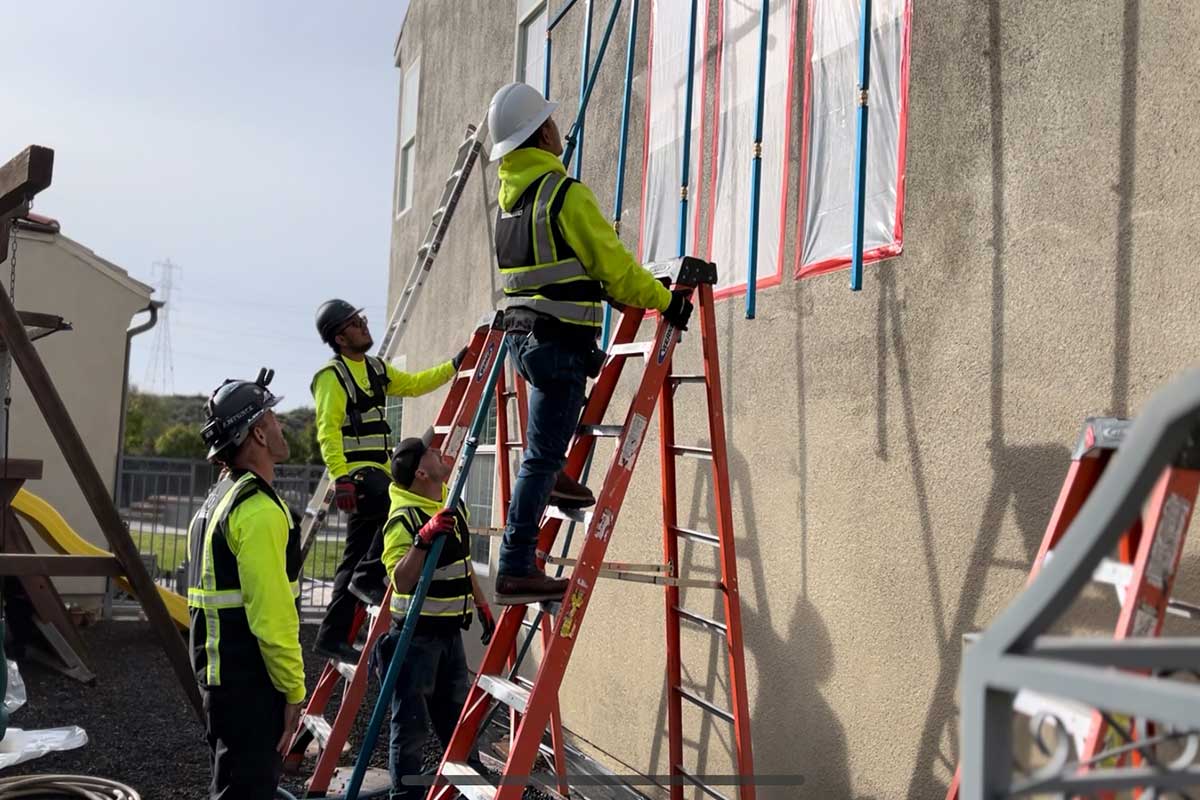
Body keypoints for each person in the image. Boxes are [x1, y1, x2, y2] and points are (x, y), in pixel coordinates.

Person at [486, 82, 694, 604]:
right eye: (552, 124)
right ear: (543, 134)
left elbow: (554, 271)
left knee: (544, 449)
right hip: (558, 347)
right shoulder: (565, 195)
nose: (560, 131)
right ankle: (515, 565)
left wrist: (604, 288)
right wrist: (665, 303)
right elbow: (615, 268)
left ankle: (555, 475)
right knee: (539, 457)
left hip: (525, 343)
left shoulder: (508, 208)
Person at [310, 299, 463, 662]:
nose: (363, 323)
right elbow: (327, 431)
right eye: (353, 322)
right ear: (339, 337)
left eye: (360, 318)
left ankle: (331, 634)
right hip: (360, 476)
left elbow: (414, 384)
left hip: (377, 470)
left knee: (354, 557)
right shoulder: (331, 378)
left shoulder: (376, 369)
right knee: (396, 508)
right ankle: (369, 577)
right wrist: (341, 478)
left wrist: (454, 367)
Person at [187, 368, 304, 800]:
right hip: (252, 686)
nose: (280, 424)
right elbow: (270, 616)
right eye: (273, 417)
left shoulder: (218, 499)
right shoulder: (258, 511)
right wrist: (293, 689)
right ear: (257, 433)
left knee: (232, 785)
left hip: (221, 680)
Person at [373, 427, 494, 798]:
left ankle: (470, 783)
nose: (438, 452)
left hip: (448, 635)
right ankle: (405, 795)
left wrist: (482, 604)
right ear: (420, 474)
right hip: (414, 638)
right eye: (429, 453)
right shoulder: (404, 518)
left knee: (457, 721)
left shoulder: (447, 505)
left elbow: (464, 564)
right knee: (410, 728)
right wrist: (421, 539)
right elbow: (402, 580)